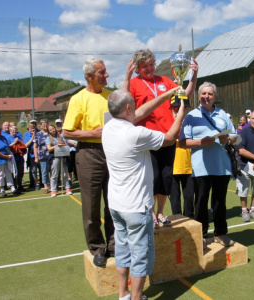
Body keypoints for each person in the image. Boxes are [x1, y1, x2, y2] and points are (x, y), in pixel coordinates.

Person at [103, 87, 184, 300]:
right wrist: (180, 113)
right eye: (134, 106)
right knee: (140, 255)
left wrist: (166, 96)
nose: (138, 110)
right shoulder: (135, 133)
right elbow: (170, 137)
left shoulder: (109, 125)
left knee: (123, 250)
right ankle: (137, 298)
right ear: (128, 108)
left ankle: (124, 295)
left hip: (117, 204)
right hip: (136, 207)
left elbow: (139, 114)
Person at [129, 49, 198, 228]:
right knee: (152, 177)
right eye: (145, 66)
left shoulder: (164, 81)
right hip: (146, 138)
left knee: (166, 177)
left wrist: (193, 76)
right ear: (137, 68)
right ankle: (150, 213)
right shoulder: (134, 84)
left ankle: (160, 212)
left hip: (167, 137)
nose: (150, 68)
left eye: (151, 64)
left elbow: (184, 95)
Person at [62, 57, 115, 267]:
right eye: (102, 72)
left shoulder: (111, 96)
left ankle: (114, 245)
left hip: (111, 153)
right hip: (89, 154)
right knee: (91, 205)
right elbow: (66, 131)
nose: (107, 75)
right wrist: (91, 132)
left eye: (106, 71)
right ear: (89, 76)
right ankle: (97, 248)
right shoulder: (78, 99)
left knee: (114, 202)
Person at [179, 82, 236, 247]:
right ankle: (202, 235)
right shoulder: (192, 116)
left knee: (220, 202)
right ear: (198, 96)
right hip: (201, 168)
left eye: (210, 94)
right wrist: (201, 142)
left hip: (222, 166)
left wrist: (228, 139)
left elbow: (234, 136)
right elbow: (182, 142)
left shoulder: (223, 114)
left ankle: (220, 233)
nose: (206, 97)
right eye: (203, 93)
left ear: (215, 97)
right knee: (201, 203)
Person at [0, 125, 20, 197]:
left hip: (7, 158)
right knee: (1, 174)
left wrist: (8, 152)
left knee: (9, 172)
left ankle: (12, 187)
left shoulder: (3, 137)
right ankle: (2, 189)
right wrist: (5, 156)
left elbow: (7, 146)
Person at [46, 124, 72, 197]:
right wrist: (57, 145)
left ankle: (67, 188)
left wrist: (62, 144)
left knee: (64, 173)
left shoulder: (61, 136)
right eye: (50, 130)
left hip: (63, 156)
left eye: (53, 129)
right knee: (54, 174)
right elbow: (49, 148)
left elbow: (66, 144)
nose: (52, 130)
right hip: (54, 157)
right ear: (49, 131)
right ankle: (53, 190)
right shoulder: (48, 138)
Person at [6, 125, 26, 191]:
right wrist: (14, 143)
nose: (14, 132)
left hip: (20, 156)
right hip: (13, 157)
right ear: (10, 131)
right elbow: (7, 147)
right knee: (15, 172)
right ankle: (14, 186)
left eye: (15, 131)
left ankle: (20, 185)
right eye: (13, 131)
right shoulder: (8, 138)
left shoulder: (19, 137)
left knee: (21, 171)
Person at [34, 119, 50, 194]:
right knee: (44, 172)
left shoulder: (51, 133)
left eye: (46, 123)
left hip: (52, 154)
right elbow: (35, 146)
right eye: (43, 124)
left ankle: (53, 185)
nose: (45, 125)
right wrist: (36, 157)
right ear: (40, 125)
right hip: (42, 155)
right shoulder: (38, 134)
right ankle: (46, 186)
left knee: (53, 171)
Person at [24, 122, 40, 190]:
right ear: (28, 129)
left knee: (42, 169)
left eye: (33, 128)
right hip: (31, 154)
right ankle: (35, 183)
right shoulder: (27, 135)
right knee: (33, 170)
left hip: (40, 154)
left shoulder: (39, 133)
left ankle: (43, 182)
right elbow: (26, 145)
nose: (32, 130)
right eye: (30, 129)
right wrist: (32, 138)